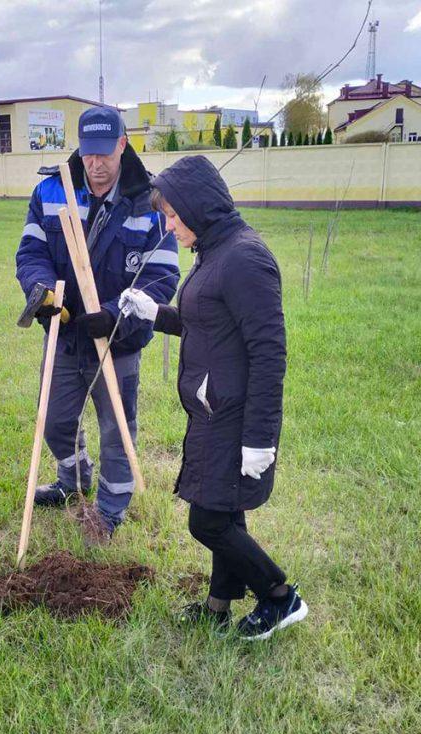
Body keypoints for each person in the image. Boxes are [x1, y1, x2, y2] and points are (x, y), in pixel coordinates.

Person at [119, 155, 307, 640]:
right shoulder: (214, 252)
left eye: (174, 215)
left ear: (199, 207)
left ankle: (280, 596)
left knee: (207, 521)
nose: (169, 225)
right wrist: (152, 313)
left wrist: (260, 438)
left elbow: (269, 353)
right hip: (210, 409)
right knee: (225, 512)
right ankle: (217, 608)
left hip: (234, 414)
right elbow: (204, 323)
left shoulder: (245, 258)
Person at [15, 105, 179, 542]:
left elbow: (162, 279)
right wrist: (45, 293)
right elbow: (30, 254)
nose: (96, 164)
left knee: (117, 429)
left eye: (105, 154)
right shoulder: (52, 192)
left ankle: (109, 509)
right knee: (54, 420)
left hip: (117, 342)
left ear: (123, 145)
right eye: (89, 153)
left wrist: (113, 314)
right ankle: (73, 479)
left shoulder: (152, 202)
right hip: (65, 336)